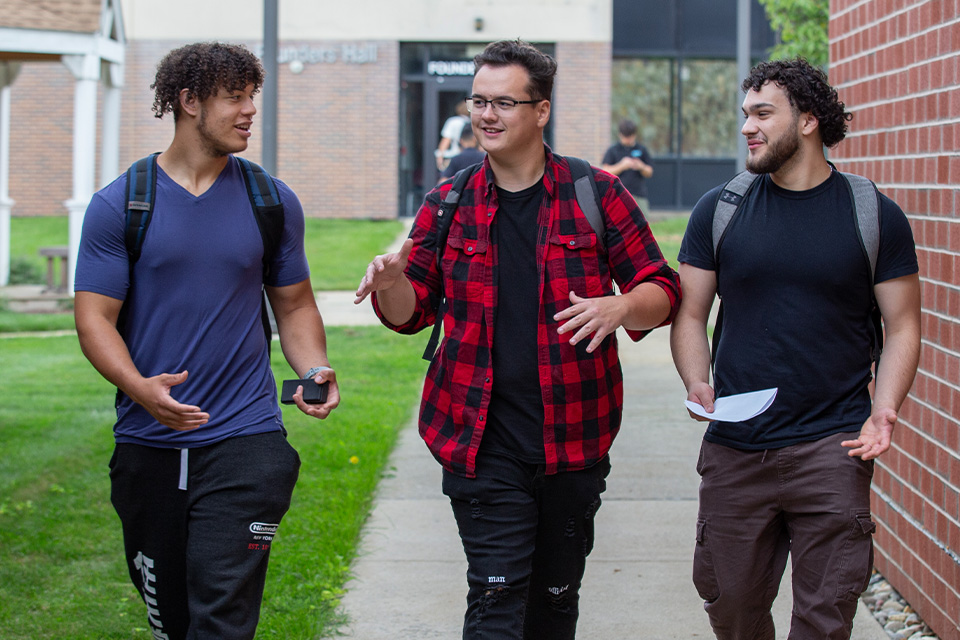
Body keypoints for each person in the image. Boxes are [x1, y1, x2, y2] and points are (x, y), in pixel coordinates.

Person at [356, 39, 681, 639]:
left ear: (541, 110)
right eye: (479, 100)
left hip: (574, 440)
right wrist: (393, 281)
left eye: (504, 102)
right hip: (479, 442)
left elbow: (662, 287)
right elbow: (410, 314)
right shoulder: (448, 203)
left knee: (554, 605)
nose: (487, 115)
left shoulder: (596, 194)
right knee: (496, 601)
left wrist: (623, 304)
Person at [74, 42, 340, 640]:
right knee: (171, 617)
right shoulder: (122, 203)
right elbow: (94, 318)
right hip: (149, 441)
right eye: (234, 97)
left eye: (253, 96)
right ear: (189, 101)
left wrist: (315, 366)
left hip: (249, 439)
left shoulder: (269, 199)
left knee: (223, 613)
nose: (249, 111)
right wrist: (139, 389)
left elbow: (293, 302)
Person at [670, 58, 920, 639]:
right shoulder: (721, 208)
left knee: (825, 616)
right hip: (736, 447)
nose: (746, 128)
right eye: (744, 114)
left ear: (808, 120)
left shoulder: (872, 214)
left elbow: (903, 324)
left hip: (833, 446)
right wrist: (696, 379)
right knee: (730, 608)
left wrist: (884, 410)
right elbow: (689, 312)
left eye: (762, 114)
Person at [601, 118, 653, 212]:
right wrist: (622, 165)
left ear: (634, 135)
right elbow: (605, 171)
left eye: (630, 137)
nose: (628, 140)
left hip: (638, 195)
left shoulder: (641, 149)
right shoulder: (613, 150)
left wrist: (641, 166)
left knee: (642, 224)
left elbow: (649, 172)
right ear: (620, 135)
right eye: (626, 137)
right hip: (618, 195)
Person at [435, 100, 471, 170]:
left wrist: (440, 157)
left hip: (454, 157)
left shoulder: (452, 121)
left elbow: (446, 140)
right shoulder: (471, 123)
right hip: (468, 158)